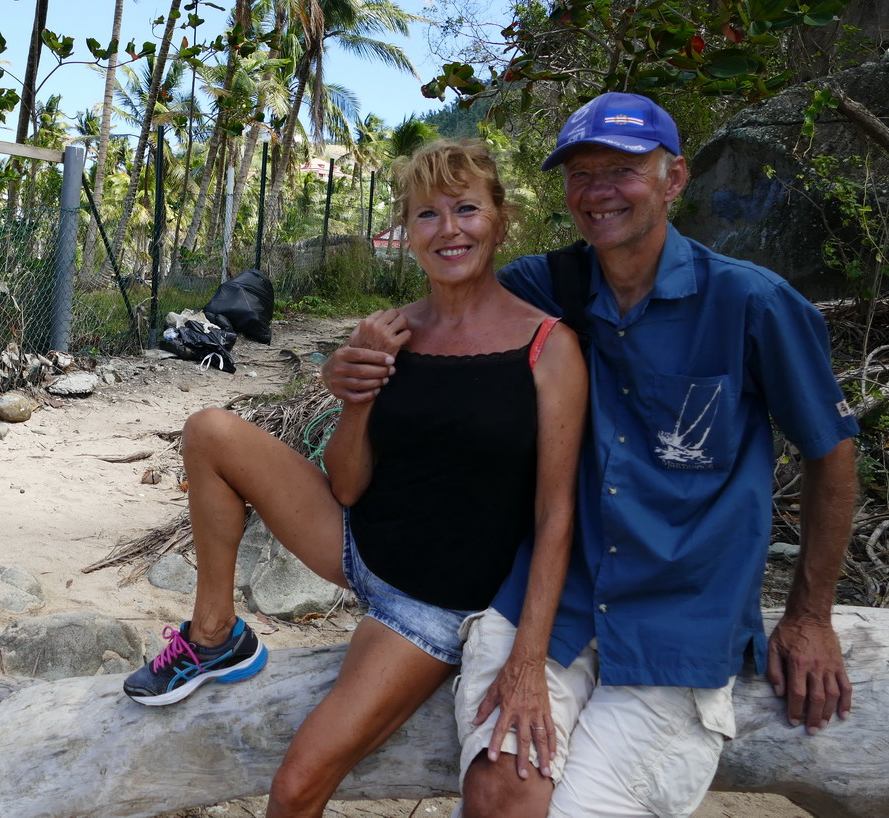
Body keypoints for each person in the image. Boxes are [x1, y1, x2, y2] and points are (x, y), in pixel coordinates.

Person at [323, 92, 860, 818]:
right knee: (499, 794)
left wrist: (809, 617)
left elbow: (832, 454)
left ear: (674, 179)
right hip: (557, 598)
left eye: (623, 169)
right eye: (581, 174)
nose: (599, 190)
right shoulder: (545, 290)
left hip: (680, 614)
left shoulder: (750, 304)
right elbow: (445, 317)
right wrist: (351, 366)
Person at [123, 139, 587, 817]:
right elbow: (345, 484)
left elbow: (556, 516)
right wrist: (358, 392)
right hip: (357, 545)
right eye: (428, 215)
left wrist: (526, 659)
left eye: (466, 208)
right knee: (209, 431)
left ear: (499, 218)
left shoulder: (548, 347)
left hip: (427, 608)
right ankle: (216, 635)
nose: (449, 229)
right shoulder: (395, 330)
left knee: (297, 786)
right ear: (407, 231)